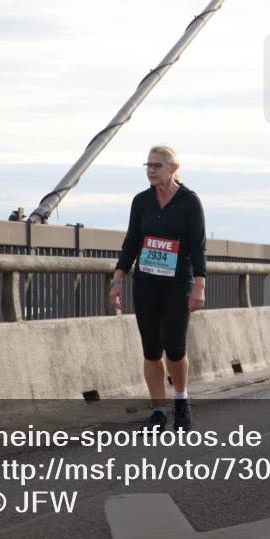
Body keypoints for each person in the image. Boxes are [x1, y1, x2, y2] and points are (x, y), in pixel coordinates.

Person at [111, 145, 206, 431]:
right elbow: (131, 243)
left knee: (175, 348)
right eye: (148, 166)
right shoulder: (141, 201)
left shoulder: (190, 201)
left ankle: (181, 399)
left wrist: (199, 284)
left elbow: (199, 246)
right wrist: (118, 279)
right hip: (147, 281)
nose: (151, 171)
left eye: (157, 166)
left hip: (178, 282)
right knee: (151, 348)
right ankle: (158, 411)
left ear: (173, 168)